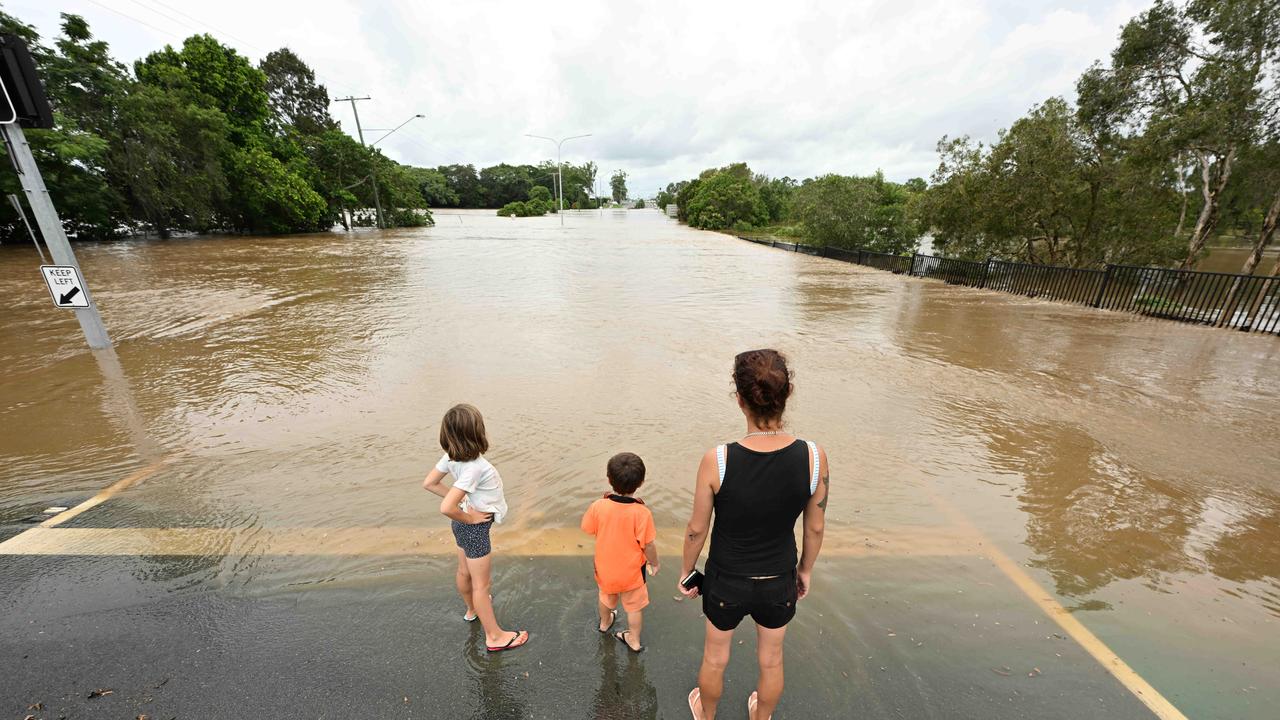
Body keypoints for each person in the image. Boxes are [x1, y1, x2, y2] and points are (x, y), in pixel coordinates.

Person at [678, 350, 829, 720]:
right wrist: (804, 571)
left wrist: (687, 570)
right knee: (772, 661)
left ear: (740, 399)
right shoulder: (813, 457)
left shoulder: (718, 459)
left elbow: (697, 528)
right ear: (787, 395)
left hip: (726, 580)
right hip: (779, 578)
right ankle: (761, 717)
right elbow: (816, 525)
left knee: (715, 657)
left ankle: (706, 713)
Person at [422, 403, 529, 653]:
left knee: (464, 571)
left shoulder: (451, 457)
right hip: (473, 529)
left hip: (461, 525)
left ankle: (472, 610)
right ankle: (495, 636)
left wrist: (461, 506)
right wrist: (469, 518)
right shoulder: (476, 468)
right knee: (483, 585)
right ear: (478, 433)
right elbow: (446, 507)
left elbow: (429, 483)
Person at [581, 452, 659, 653]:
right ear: (641, 482)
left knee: (606, 598)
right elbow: (648, 545)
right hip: (632, 573)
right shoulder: (642, 513)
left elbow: (588, 528)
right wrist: (654, 563)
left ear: (609, 479)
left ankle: (605, 623)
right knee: (634, 607)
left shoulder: (599, 505)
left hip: (605, 569)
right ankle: (633, 640)